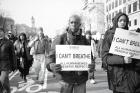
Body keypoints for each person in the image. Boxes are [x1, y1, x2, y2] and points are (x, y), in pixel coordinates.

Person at [46, 14, 95, 93]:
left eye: (76, 22)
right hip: (65, 79)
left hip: (81, 79)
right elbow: (50, 57)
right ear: (68, 23)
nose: (73, 24)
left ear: (80, 24)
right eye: (71, 22)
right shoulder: (60, 39)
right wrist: (50, 65)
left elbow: (90, 58)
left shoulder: (85, 40)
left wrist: (91, 65)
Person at [102, 12, 140, 93]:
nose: (123, 22)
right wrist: (122, 60)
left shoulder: (132, 36)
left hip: (133, 78)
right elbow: (105, 58)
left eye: (125, 21)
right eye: (120, 20)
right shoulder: (110, 36)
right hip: (118, 79)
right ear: (116, 21)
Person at [0, 27, 17, 93]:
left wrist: (14, 65)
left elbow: (13, 55)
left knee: (3, 80)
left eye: (1, 31)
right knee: (3, 84)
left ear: (4, 33)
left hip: (5, 64)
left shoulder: (9, 42)